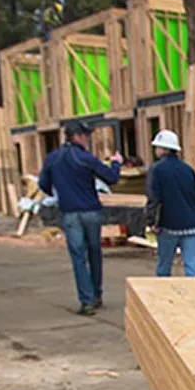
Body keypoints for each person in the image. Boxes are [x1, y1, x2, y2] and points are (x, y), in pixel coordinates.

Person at [38, 119, 122, 315]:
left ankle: (87, 300)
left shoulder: (53, 159)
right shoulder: (86, 158)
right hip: (91, 210)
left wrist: (59, 192)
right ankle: (97, 294)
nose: (87, 139)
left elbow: (43, 184)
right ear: (79, 136)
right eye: (86, 136)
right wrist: (116, 163)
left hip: (69, 212)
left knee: (78, 257)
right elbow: (111, 178)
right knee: (94, 253)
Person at [146, 129, 195, 277]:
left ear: (163, 149)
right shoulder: (188, 170)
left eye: (157, 147)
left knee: (164, 265)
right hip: (190, 225)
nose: (155, 150)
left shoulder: (157, 169)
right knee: (191, 266)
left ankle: (164, 296)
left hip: (168, 226)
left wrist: (152, 222)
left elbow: (154, 197)